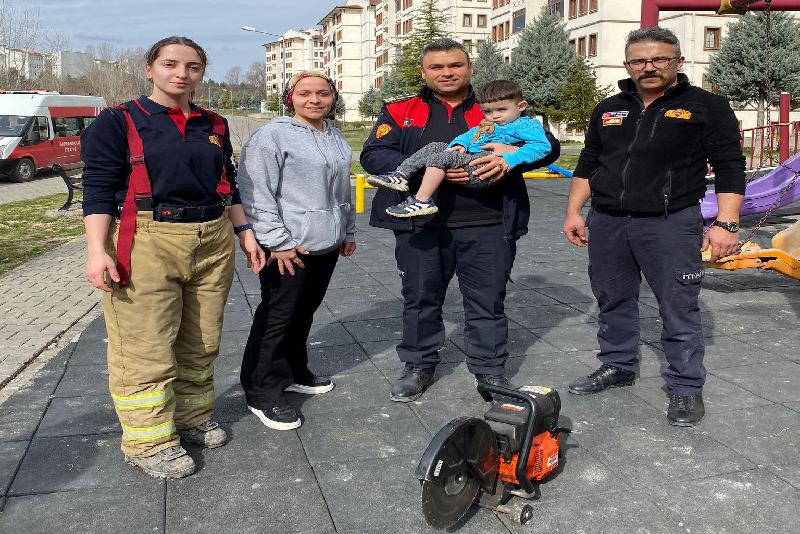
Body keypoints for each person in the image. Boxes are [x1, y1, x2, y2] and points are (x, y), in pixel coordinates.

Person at [81, 36, 266, 479]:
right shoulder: (118, 120)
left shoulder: (214, 124)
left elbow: (229, 184)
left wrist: (245, 232)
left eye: (193, 66)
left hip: (212, 236)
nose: (181, 73)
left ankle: (191, 417)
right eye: (170, 64)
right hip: (147, 238)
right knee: (144, 345)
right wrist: (95, 251)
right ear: (150, 69)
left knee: (201, 338)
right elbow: (99, 189)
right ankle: (148, 440)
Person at [562, 27, 745, 426]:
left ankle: (685, 387)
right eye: (639, 60)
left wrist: (727, 224)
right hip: (608, 221)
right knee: (611, 299)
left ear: (678, 62)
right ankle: (618, 365)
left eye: (660, 58)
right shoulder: (609, 108)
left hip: (670, 222)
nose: (649, 66)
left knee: (677, 306)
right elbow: (589, 162)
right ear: (628, 64)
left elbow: (731, 166)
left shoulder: (706, 106)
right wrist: (574, 211)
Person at [361, 38, 559, 402]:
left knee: (487, 301)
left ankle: (490, 370)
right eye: (436, 67)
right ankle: (418, 365)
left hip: (488, 222)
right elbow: (374, 155)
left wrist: (511, 156)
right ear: (424, 72)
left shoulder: (492, 105)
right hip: (420, 223)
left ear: (469, 68)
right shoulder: (401, 109)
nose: (447, 72)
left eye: (455, 65)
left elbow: (548, 146)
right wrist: (424, 177)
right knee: (420, 298)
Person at [237, 71, 356, 430]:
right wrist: (277, 241)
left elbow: (342, 190)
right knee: (278, 315)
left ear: (332, 98)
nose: (315, 100)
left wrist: (347, 229)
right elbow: (256, 190)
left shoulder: (334, 135)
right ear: (291, 97)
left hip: (326, 242)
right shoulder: (272, 136)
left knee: (304, 311)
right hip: (289, 245)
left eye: (323, 93)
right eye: (305, 93)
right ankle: (262, 391)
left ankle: (293, 371)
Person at [367, 79, 552, 218]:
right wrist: (460, 145)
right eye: (487, 111)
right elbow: (469, 135)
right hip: (470, 160)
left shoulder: (527, 125)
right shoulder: (489, 123)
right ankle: (401, 175)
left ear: (521, 106)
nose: (494, 116)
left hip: (484, 169)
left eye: (501, 110)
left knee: (439, 158)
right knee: (437, 147)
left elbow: (543, 146)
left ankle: (422, 200)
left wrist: (510, 157)